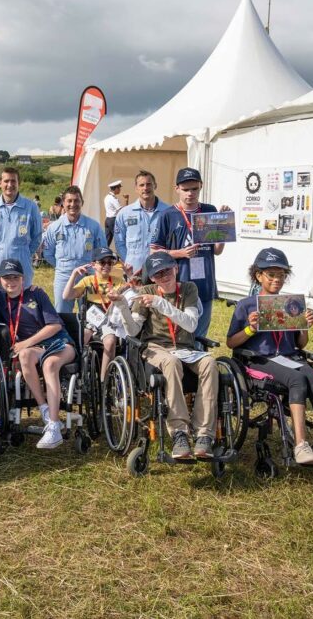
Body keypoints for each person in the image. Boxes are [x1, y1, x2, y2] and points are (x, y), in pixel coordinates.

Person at [226, 248, 313, 465]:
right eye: (272, 275)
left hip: (288, 356)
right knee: (296, 379)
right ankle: (301, 445)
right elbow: (231, 342)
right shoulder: (246, 305)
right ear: (258, 276)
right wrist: (250, 329)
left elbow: (300, 344)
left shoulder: (290, 305)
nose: (277, 279)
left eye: (281, 275)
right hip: (259, 358)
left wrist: (305, 327)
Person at [113, 251, 218, 459]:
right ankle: (179, 431)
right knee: (170, 362)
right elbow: (133, 331)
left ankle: (204, 433)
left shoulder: (189, 289)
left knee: (210, 363)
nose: (164, 276)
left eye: (167, 270)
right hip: (157, 348)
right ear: (152, 277)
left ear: (176, 269)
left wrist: (160, 303)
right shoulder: (146, 291)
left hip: (186, 348)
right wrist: (123, 306)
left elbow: (190, 324)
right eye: (158, 274)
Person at [0, 258, 75, 449]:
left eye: (15, 277)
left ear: (23, 279)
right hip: (33, 350)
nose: (11, 282)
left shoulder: (36, 293)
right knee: (24, 356)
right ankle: (45, 409)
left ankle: (54, 427)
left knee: (49, 364)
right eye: (6, 278)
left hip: (59, 343)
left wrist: (26, 343)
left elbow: (55, 325)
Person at [150, 167, 230, 340]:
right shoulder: (168, 215)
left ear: (201, 186)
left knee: (201, 334)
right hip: (180, 284)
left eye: (194, 188)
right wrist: (180, 253)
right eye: (185, 189)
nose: (190, 194)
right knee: (182, 332)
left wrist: (223, 224)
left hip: (204, 281)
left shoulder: (209, 210)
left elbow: (217, 250)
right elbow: (154, 252)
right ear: (177, 188)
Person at [62, 247, 123, 382]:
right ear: (94, 264)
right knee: (82, 336)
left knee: (110, 340)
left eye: (110, 262)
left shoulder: (118, 281)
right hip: (92, 321)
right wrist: (73, 275)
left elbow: (128, 297)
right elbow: (67, 296)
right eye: (102, 262)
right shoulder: (88, 281)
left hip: (110, 321)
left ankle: (104, 380)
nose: (106, 266)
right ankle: (76, 373)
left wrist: (129, 278)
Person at [42, 185, 105, 313]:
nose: (73, 204)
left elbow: (102, 252)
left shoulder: (93, 226)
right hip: (64, 276)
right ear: (63, 203)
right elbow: (47, 253)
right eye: (69, 201)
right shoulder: (54, 227)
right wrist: (61, 266)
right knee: (62, 314)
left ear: (82, 202)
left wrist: (93, 269)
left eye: (76, 200)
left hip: (87, 276)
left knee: (91, 315)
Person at [0, 167, 43, 286]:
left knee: (21, 301)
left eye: (13, 181)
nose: (10, 185)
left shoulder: (31, 207)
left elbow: (37, 237)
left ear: (18, 183)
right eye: (6, 181)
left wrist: (24, 253)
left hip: (21, 263)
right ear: (0, 183)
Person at [115, 170, 171, 275]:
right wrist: (128, 261)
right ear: (136, 188)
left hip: (160, 271)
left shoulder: (168, 212)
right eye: (141, 185)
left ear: (155, 186)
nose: (145, 188)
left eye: (149, 184)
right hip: (133, 271)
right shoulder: (124, 213)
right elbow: (119, 242)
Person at [104, 180, 122, 246]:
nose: (120, 190)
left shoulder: (107, 197)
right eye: (119, 188)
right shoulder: (113, 198)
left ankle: (103, 253)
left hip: (108, 219)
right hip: (113, 220)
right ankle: (121, 253)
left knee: (107, 239)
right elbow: (120, 210)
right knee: (119, 238)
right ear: (116, 188)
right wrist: (126, 201)